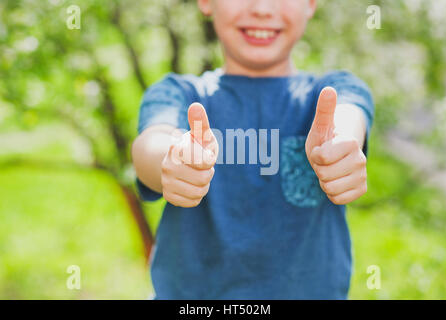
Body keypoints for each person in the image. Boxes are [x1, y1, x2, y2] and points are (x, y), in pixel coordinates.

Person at [132, 0, 374, 299]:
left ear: (310, 3)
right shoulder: (177, 95)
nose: (262, 8)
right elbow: (152, 143)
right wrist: (173, 160)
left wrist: (341, 148)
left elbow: (350, 116)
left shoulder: (332, 93)